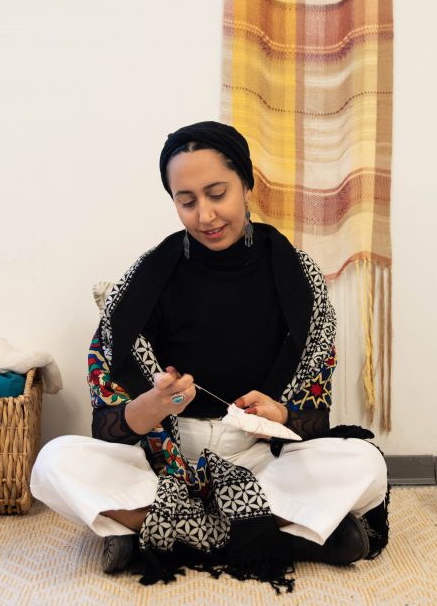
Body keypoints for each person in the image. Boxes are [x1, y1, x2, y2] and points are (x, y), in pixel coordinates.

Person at [30, 121, 389, 590]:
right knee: (55, 461)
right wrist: (153, 405)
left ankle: (152, 530)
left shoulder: (296, 274)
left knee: (365, 465)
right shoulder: (149, 275)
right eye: (187, 201)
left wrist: (280, 413)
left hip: (259, 458)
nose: (206, 215)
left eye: (217, 193)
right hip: (164, 460)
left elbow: (313, 421)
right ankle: (283, 535)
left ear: (245, 183)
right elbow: (107, 427)